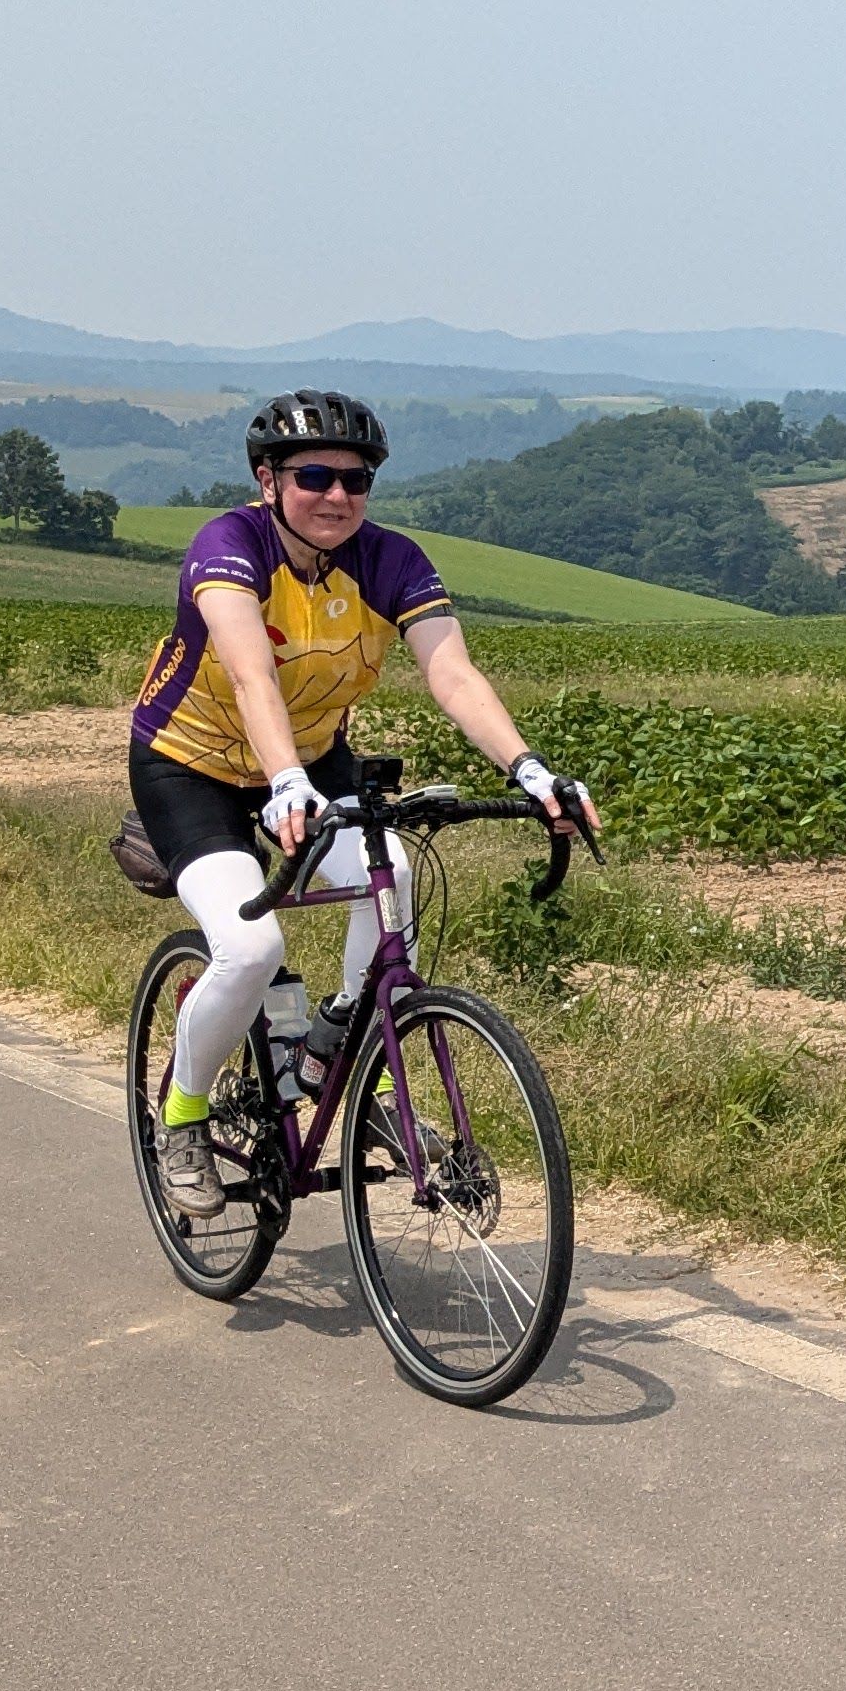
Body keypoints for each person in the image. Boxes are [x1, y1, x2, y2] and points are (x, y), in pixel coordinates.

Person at [127, 390, 597, 1211]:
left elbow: (450, 673)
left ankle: (329, 1044)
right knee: (249, 950)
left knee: (396, 887)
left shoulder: (391, 561)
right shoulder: (228, 546)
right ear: (267, 480)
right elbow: (248, 674)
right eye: (314, 476)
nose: (338, 496)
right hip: (190, 766)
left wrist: (529, 769)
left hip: (314, 763)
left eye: (357, 479)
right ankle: (184, 1116)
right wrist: (281, 782)